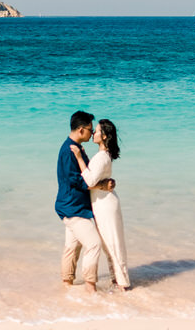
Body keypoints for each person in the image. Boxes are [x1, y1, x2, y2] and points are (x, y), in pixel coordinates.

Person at [70, 118, 130, 290]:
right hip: (103, 202)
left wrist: (79, 157)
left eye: (96, 131)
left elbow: (88, 181)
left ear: (104, 136)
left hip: (105, 205)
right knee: (109, 244)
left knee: (112, 243)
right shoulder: (103, 156)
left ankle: (123, 284)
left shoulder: (102, 157)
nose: (93, 134)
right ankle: (118, 281)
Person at [56, 110, 105, 292]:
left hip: (73, 205)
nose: (92, 133)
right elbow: (75, 179)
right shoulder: (69, 150)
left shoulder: (74, 147)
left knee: (72, 246)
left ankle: (67, 284)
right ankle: (90, 287)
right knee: (94, 244)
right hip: (72, 207)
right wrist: (100, 185)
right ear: (81, 129)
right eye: (90, 130)